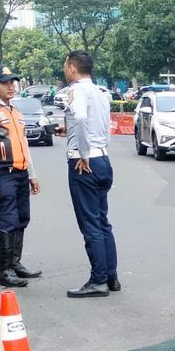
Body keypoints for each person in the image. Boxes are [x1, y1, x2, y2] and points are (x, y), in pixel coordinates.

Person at [56, 50, 118, 298]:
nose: (65, 69)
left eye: (65, 65)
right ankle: (111, 277)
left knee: (90, 224)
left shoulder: (76, 91)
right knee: (102, 222)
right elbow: (99, 125)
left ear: (72, 67)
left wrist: (82, 152)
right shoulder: (101, 93)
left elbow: (81, 117)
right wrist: (70, 131)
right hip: (102, 158)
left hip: (85, 163)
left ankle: (98, 280)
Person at [0, 65, 41, 288]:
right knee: (9, 219)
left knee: (22, 218)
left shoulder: (15, 111)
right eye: (5, 83)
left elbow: (23, 145)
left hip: (21, 173)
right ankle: (4, 271)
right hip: (3, 174)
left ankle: (15, 263)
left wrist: (32, 174)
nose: (11, 86)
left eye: (13, 82)